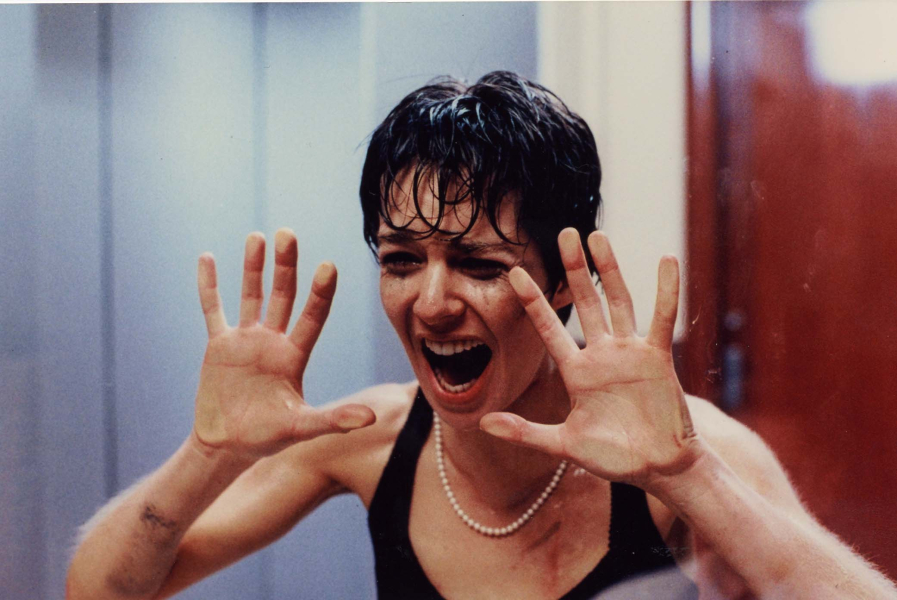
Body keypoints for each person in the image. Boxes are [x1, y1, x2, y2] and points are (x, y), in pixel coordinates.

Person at [67, 71, 896, 600]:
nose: (431, 303)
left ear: (563, 279)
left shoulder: (678, 452)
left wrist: (689, 477)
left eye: (477, 264)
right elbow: (98, 590)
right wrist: (206, 456)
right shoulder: (367, 439)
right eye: (401, 260)